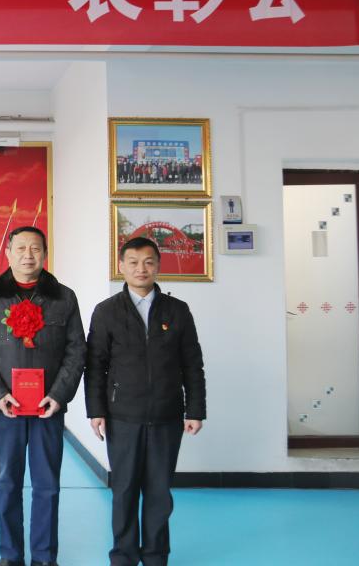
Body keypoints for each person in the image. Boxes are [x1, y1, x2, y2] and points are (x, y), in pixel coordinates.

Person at [0, 226, 86, 566]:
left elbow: (77, 350)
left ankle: (45, 557)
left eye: (35, 248)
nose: (28, 255)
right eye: (20, 248)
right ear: (8, 253)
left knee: (48, 485)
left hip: (49, 409)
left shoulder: (64, 297)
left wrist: (59, 395)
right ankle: (10, 555)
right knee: (7, 483)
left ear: (45, 254)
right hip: (7, 410)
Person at [85, 237, 206, 566]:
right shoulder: (107, 311)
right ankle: (123, 556)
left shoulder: (177, 310)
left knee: (159, 492)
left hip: (167, 416)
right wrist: (96, 410)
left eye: (149, 262)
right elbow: (95, 366)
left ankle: (155, 555)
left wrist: (195, 410)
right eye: (134, 262)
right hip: (122, 416)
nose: (141, 268)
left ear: (158, 266)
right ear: (121, 267)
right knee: (124, 490)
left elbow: (192, 364)